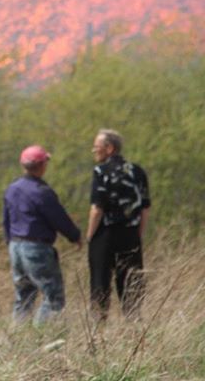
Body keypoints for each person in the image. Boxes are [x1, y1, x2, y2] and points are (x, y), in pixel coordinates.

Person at [3, 145, 82, 325]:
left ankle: (18, 337)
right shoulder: (42, 192)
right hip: (36, 249)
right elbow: (58, 218)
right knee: (53, 297)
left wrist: (9, 242)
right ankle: (42, 337)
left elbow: (6, 221)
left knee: (23, 295)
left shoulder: (12, 189)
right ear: (42, 165)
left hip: (15, 247)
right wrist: (75, 236)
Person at [87, 129, 150, 321]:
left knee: (100, 282)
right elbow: (145, 209)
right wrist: (138, 234)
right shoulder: (137, 171)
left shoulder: (101, 171)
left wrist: (90, 236)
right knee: (131, 282)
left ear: (109, 148)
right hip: (130, 234)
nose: (93, 151)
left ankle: (99, 327)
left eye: (97, 147)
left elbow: (97, 208)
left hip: (105, 234)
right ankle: (133, 324)